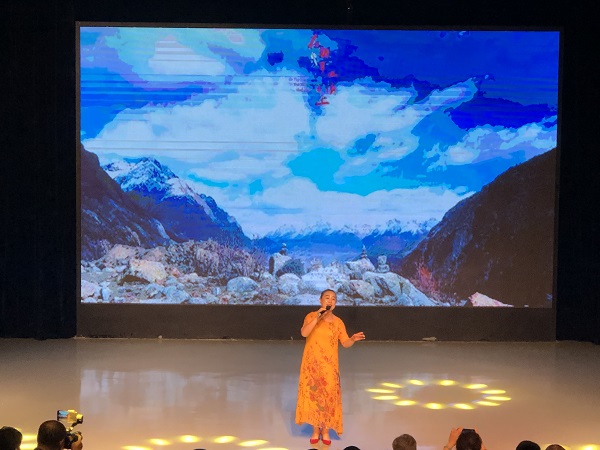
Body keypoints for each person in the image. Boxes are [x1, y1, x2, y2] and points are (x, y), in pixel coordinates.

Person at [295, 289, 365, 446]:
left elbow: (345, 343)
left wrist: (353, 339)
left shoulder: (338, 322)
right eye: (327, 298)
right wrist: (318, 317)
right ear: (320, 300)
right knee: (313, 396)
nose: (330, 301)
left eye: (333, 298)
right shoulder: (311, 316)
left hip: (329, 367)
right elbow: (304, 333)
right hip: (312, 366)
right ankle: (315, 429)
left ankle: (325, 430)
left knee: (328, 397)